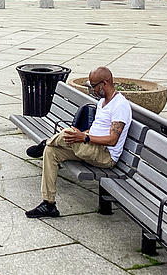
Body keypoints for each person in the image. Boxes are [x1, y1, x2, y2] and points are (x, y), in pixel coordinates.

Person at [24, 66, 132, 219]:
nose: (92, 89)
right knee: (51, 151)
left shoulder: (120, 105)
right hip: (91, 149)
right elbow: (97, 130)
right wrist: (83, 133)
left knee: (65, 136)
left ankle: (46, 142)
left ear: (105, 83)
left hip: (105, 155)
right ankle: (48, 204)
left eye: (94, 85)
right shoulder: (102, 102)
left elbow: (113, 140)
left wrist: (84, 138)